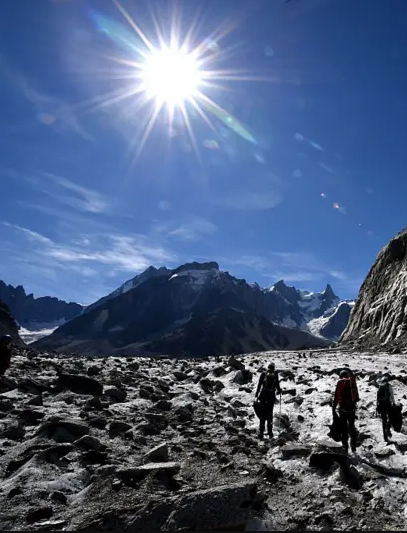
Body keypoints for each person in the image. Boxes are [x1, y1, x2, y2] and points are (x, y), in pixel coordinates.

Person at [333, 369, 359, 453]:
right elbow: (356, 397)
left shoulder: (341, 382)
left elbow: (337, 395)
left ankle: (345, 447)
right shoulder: (352, 382)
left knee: (344, 429)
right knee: (352, 427)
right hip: (352, 409)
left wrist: (334, 407)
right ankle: (354, 447)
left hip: (343, 409)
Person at [255, 362, 282, 439]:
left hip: (263, 395)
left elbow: (259, 385)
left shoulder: (264, 374)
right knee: (269, 413)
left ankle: (261, 432)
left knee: (262, 413)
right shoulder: (275, 375)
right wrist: (280, 391)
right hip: (271, 397)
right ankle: (270, 432)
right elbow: (277, 386)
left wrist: (256, 395)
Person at [376, 375, 395, 443]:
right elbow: (392, 395)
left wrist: (377, 407)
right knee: (390, 418)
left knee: (384, 420)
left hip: (381, 405)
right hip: (388, 404)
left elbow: (377, 398)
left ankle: (385, 437)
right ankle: (388, 428)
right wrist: (394, 403)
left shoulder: (380, 386)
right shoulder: (389, 386)